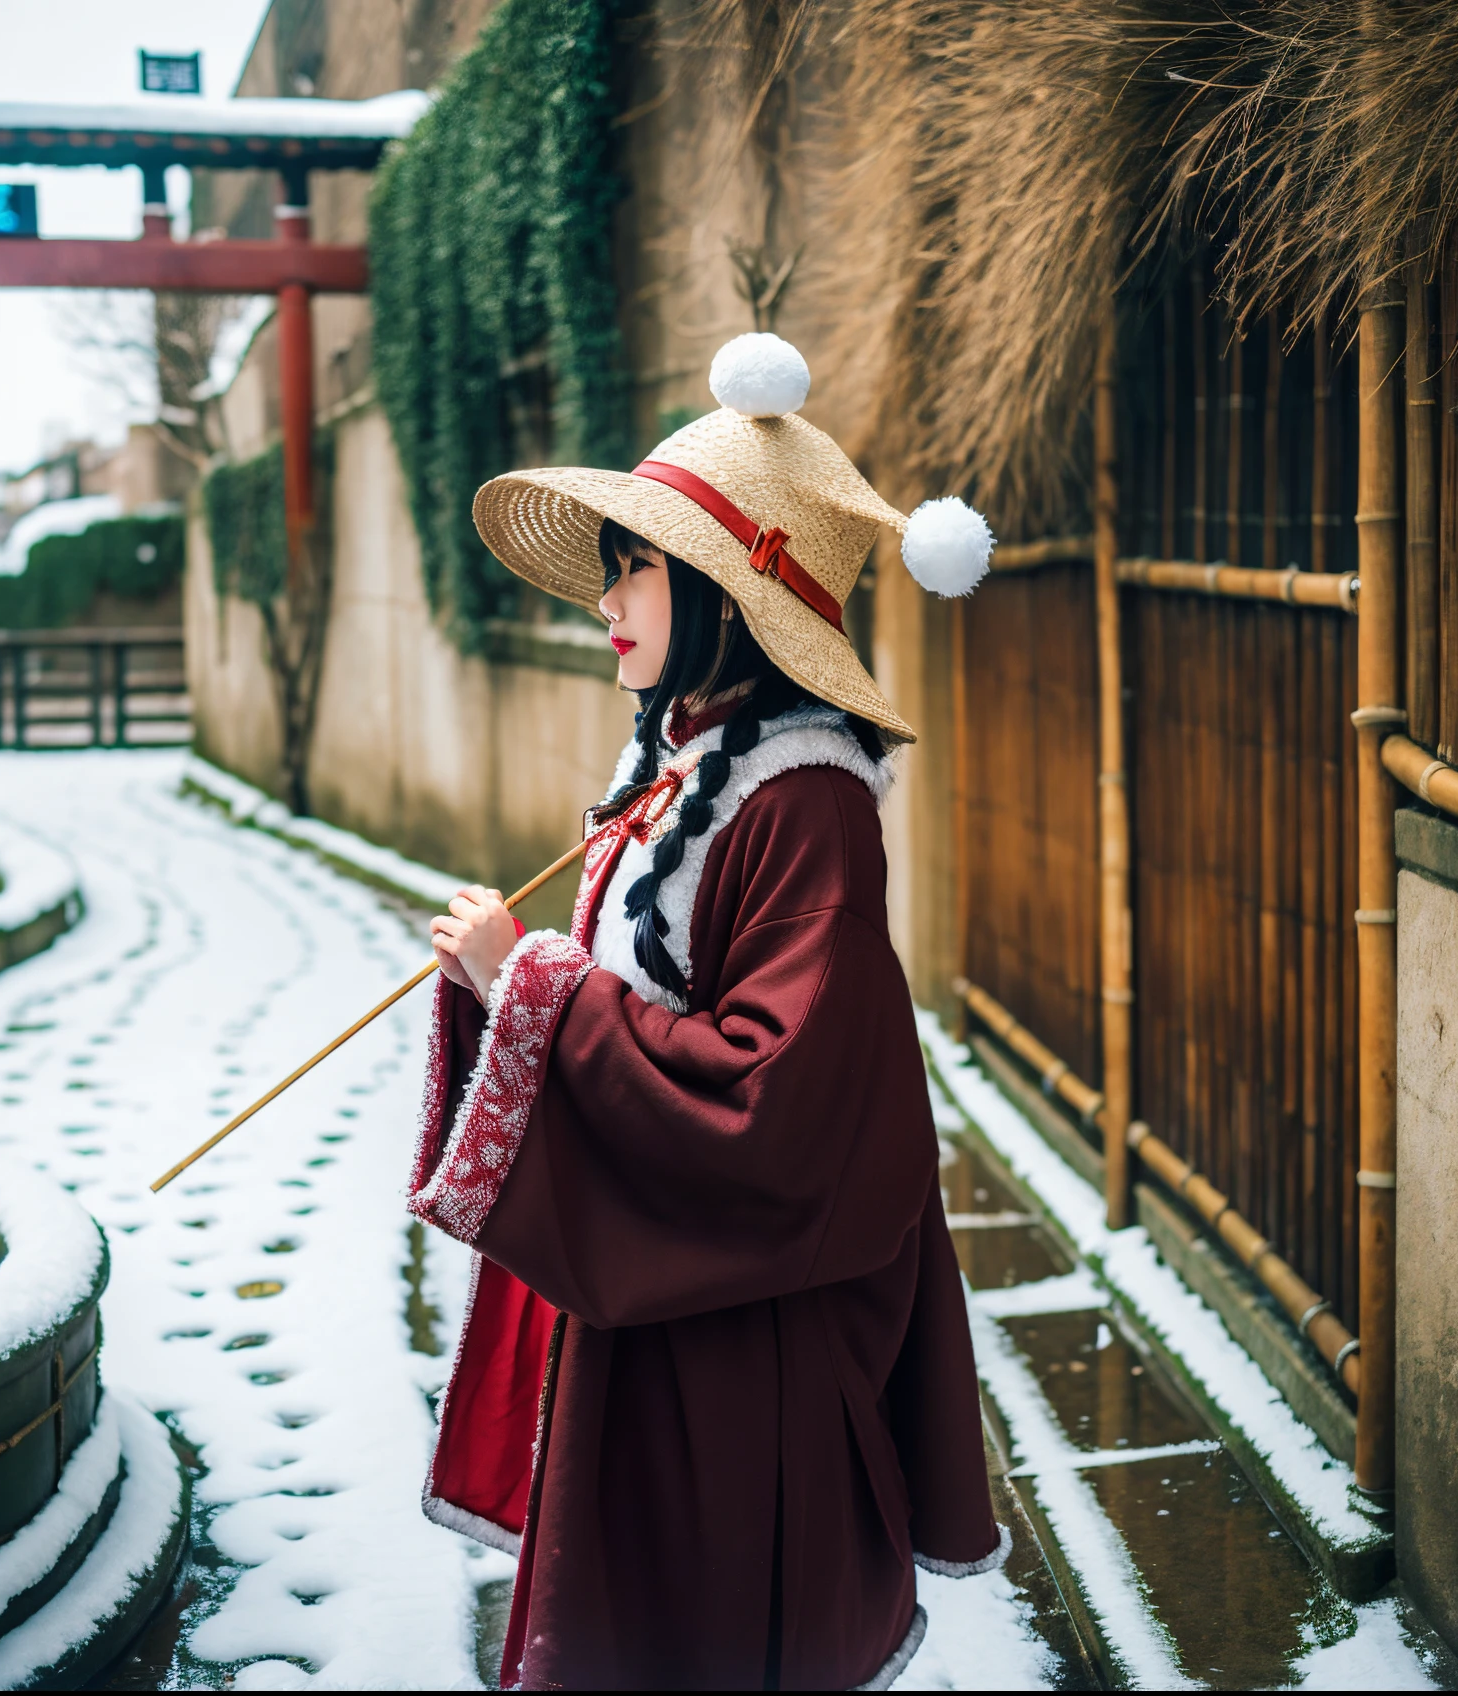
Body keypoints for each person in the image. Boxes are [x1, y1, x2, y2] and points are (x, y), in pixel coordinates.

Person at [413, 334, 1008, 1690]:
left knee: (716, 1626)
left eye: (638, 566)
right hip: (664, 1302)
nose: (607, 600)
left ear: (733, 597)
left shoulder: (804, 805)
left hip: (737, 1338)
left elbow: (773, 1104)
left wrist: (534, 986)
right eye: (615, 563)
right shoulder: (685, 769)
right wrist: (501, 990)